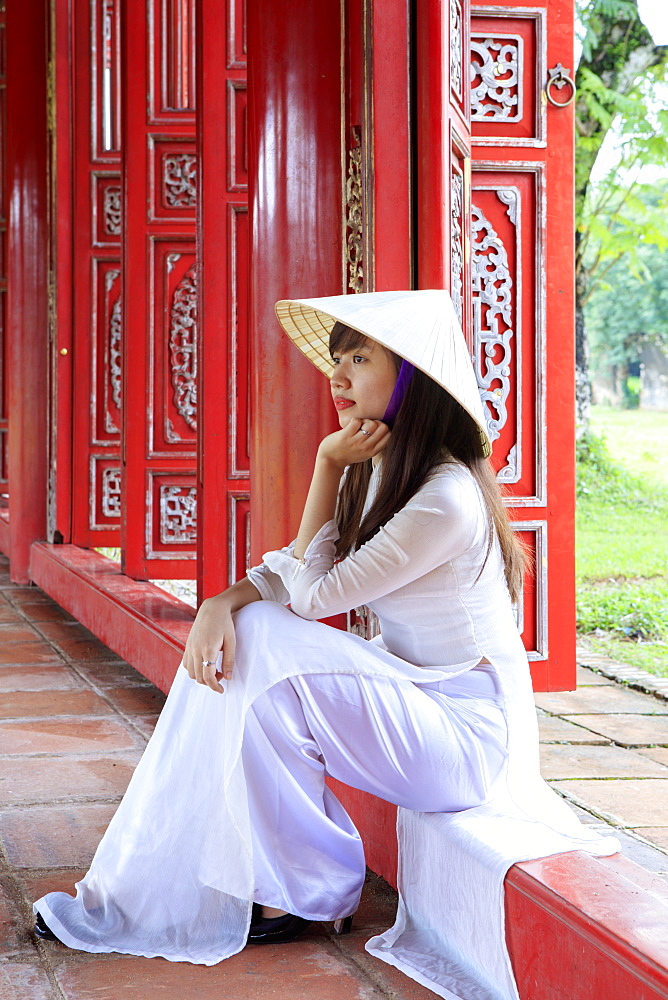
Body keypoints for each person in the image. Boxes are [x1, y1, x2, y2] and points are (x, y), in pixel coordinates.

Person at [33, 290, 619, 1000]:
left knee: (265, 638)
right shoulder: (392, 476)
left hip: (469, 746)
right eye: (336, 359)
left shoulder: (444, 498)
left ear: (412, 378)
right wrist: (221, 602)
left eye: (359, 359)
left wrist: (324, 465)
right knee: (255, 655)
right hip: (423, 709)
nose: (337, 378)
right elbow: (294, 567)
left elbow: (313, 600)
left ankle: (304, 883)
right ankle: (296, 885)